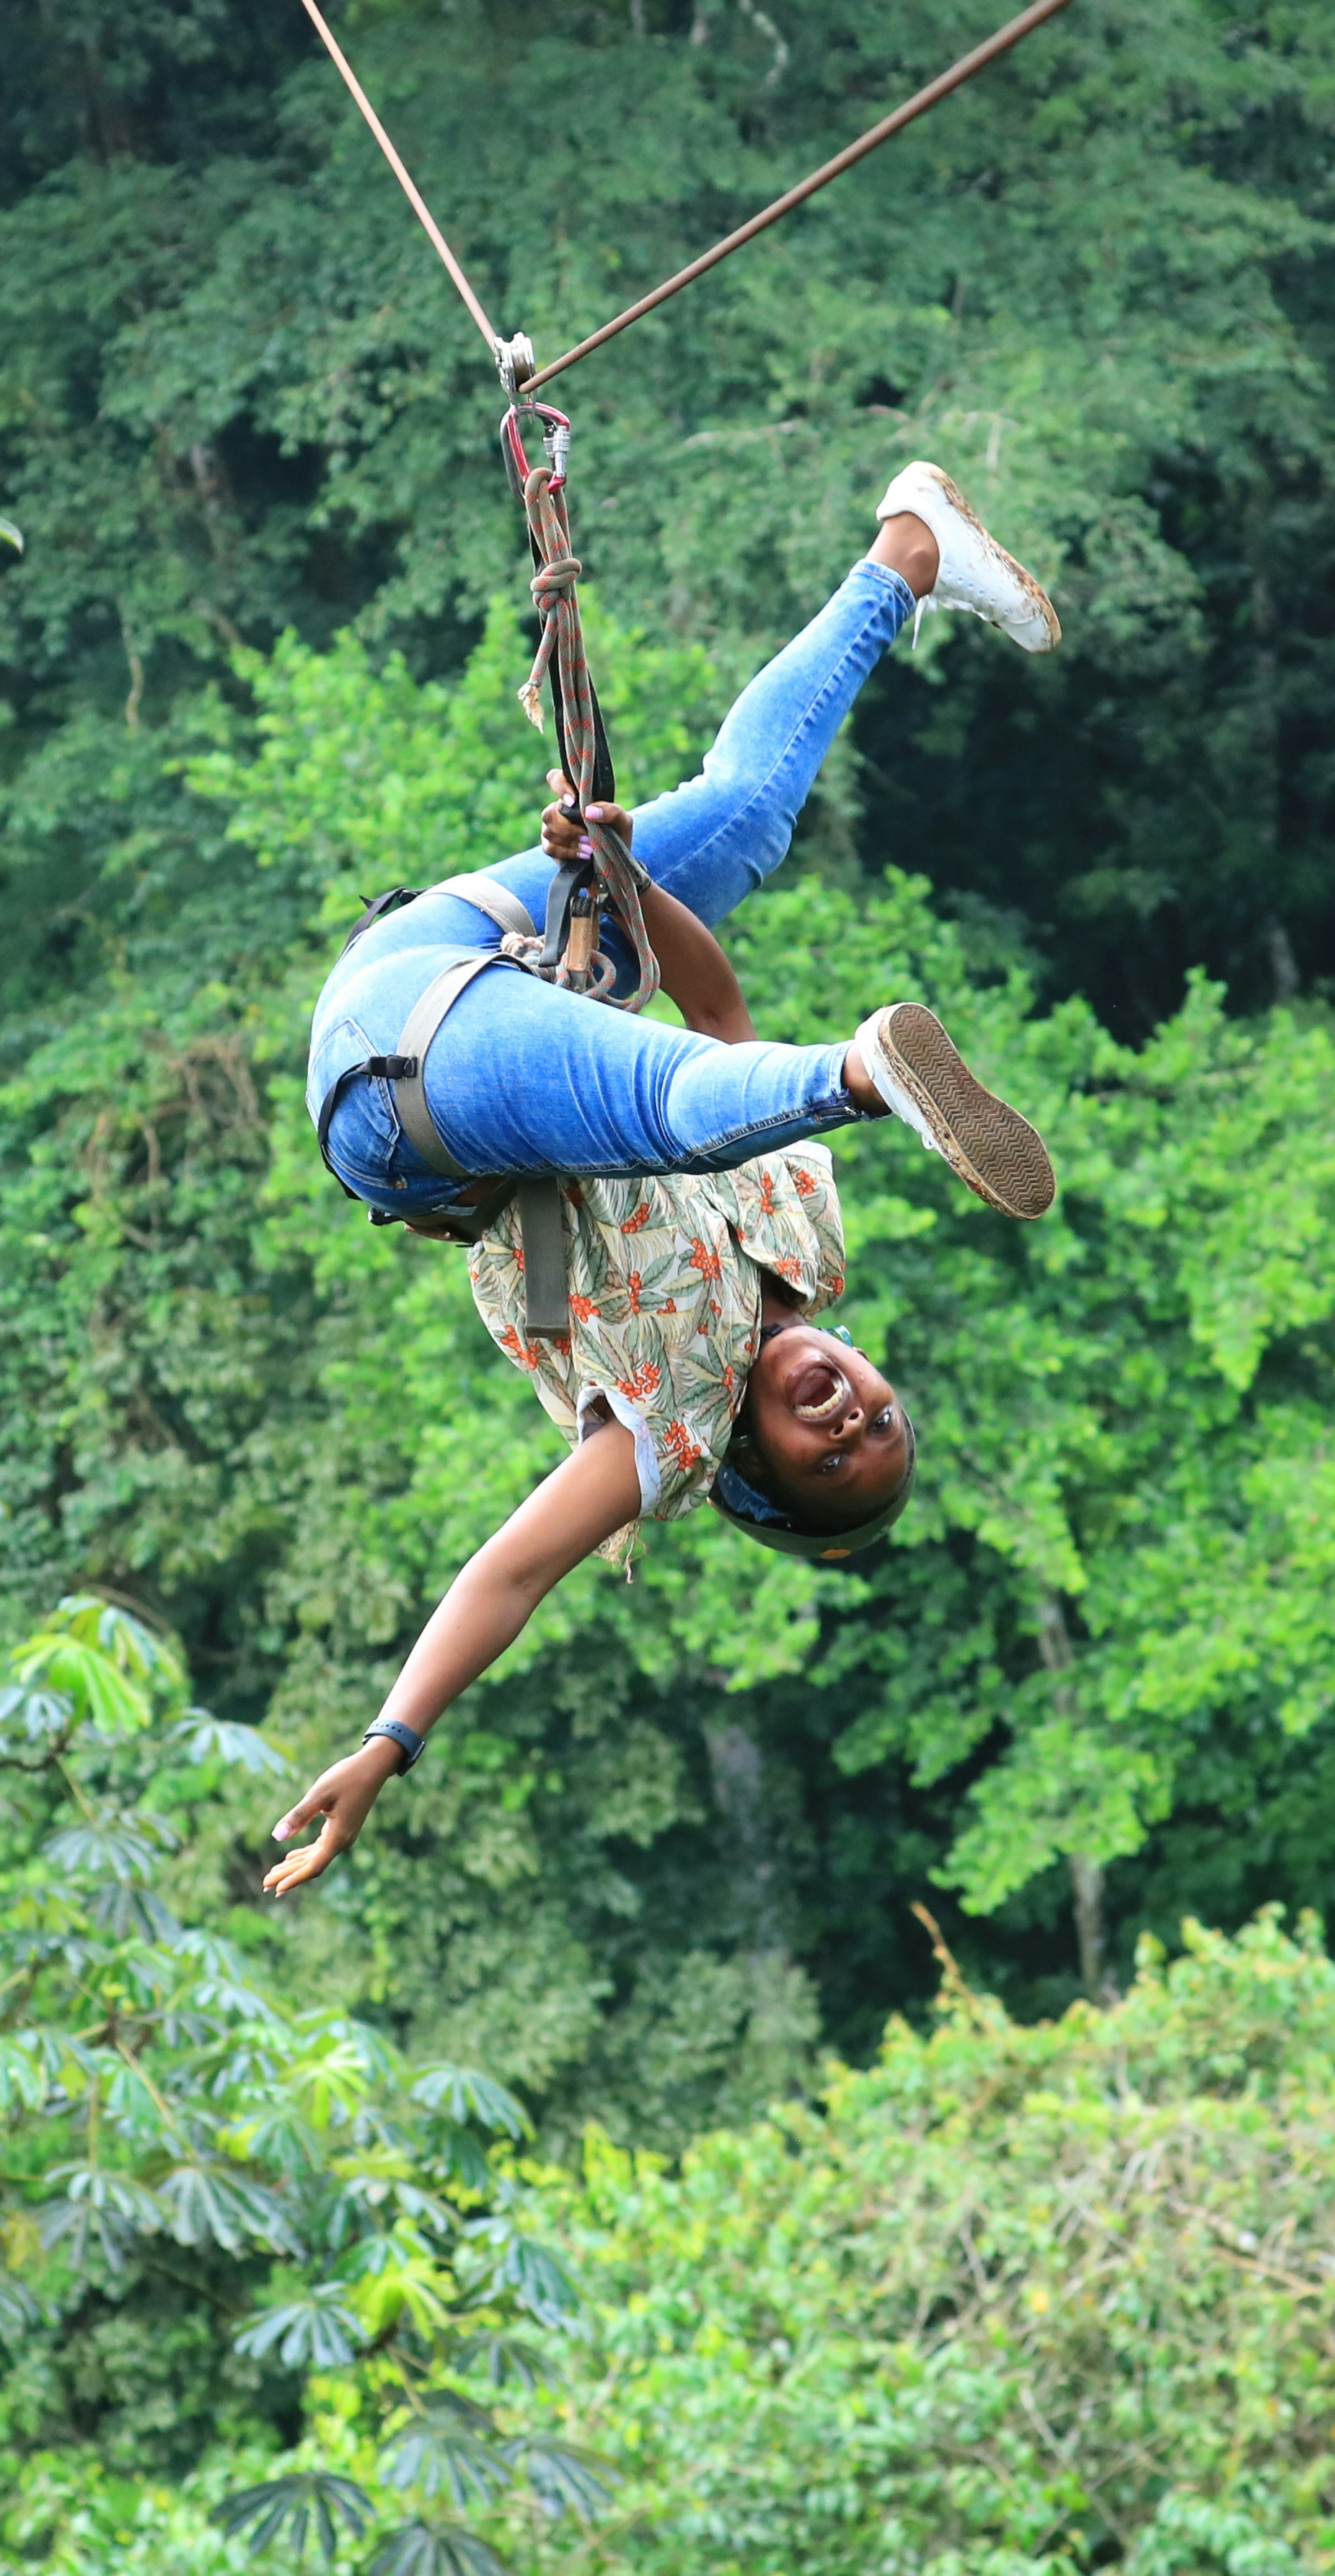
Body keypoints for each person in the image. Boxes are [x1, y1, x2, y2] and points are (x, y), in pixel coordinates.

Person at [265, 463, 1061, 1897]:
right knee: (742, 820)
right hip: (450, 959)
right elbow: (717, 1014)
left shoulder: (660, 1442)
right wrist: (628, 888)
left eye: (832, 1451)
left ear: (753, 1465)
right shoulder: (806, 1243)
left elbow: (507, 1577)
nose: (850, 1411)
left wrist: (390, 1741)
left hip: (403, 1096)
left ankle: (864, 1080)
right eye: (881, 1416)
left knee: (679, 1116)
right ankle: (908, 548)